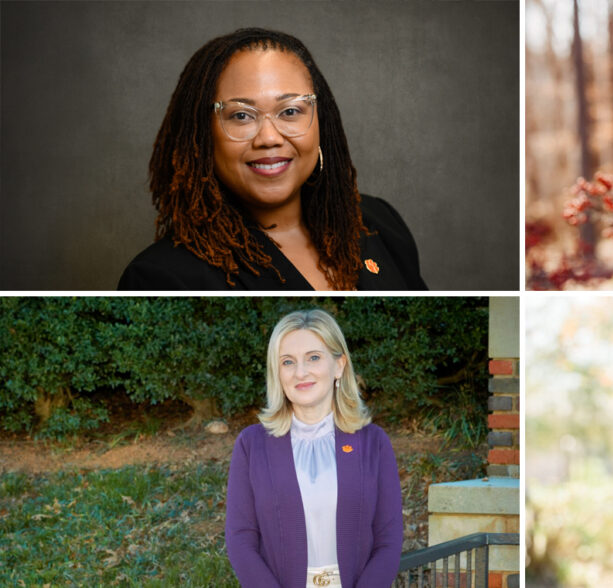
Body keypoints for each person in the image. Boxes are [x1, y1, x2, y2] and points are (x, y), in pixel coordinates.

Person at [119, 28, 427, 290]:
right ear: (200, 137)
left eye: (290, 111)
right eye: (241, 115)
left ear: (322, 120)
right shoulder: (160, 277)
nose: (269, 137)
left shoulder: (378, 222)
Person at [225, 309, 403, 587]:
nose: (300, 372)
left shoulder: (373, 442)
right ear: (277, 371)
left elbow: (388, 539)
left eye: (314, 358)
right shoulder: (251, 445)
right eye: (287, 362)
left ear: (339, 365)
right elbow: (240, 538)